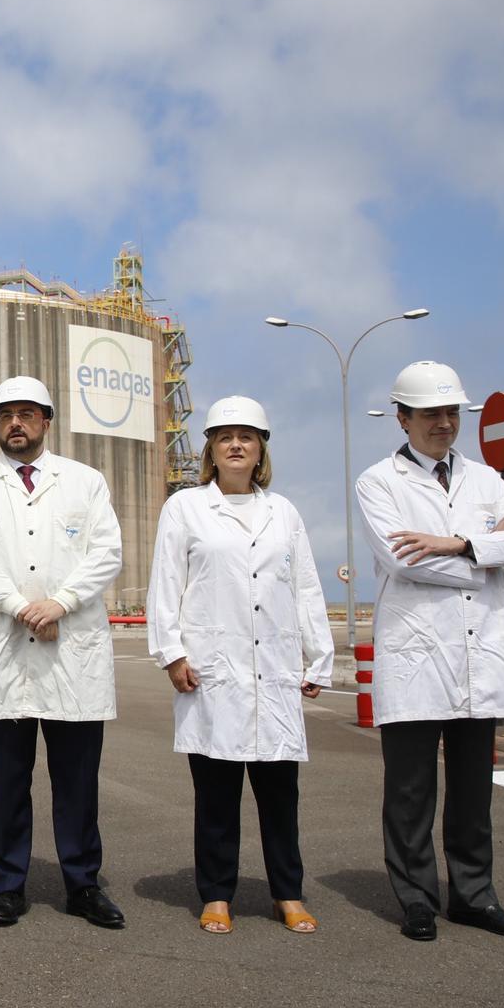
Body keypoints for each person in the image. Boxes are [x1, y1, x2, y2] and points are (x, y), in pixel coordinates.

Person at [356, 360, 504, 943]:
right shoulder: (378, 482)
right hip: (416, 654)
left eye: (450, 413)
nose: (444, 423)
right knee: (410, 791)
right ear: (403, 418)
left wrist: (459, 542)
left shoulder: (485, 479)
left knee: (472, 790)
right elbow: (401, 559)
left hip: (478, 653)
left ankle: (474, 897)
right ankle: (415, 898)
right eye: (431, 413)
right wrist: (485, 557)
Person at [0, 375, 125, 930]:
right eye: (5, 415)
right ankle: (7, 885)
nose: (15, 423)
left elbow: (106, 552)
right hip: (4, 652)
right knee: (6, 782)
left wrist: (62, 602)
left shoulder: (85, 482)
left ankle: (83, 885)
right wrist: (24, 606)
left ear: (47, 421)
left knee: (77, 784)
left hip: (72, 651)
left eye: (27, 413)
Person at [147, 396, 333, 935]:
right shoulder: (185, 509)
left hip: (271, 668)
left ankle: (288, 893)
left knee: (280, 794)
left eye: (246, 437)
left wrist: (318, 656)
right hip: (212, 671)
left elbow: (305, 586)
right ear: (209, 447)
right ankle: (217, 894)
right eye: (224, 436)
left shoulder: (285, 513)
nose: (235, 445)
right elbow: (167, 584)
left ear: (260, 451)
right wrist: (173, 653)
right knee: (217, 795)